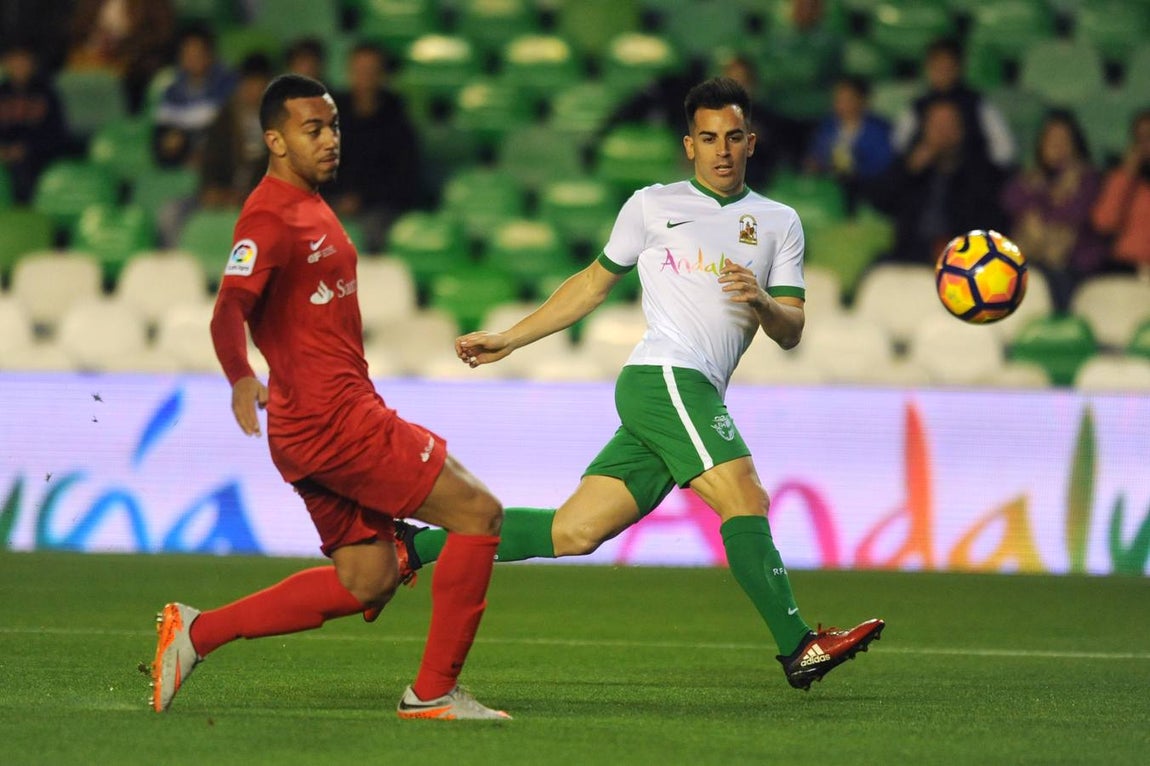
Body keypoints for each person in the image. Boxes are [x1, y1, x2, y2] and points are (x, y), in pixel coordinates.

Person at [397, 77, 885, 691]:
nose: (722, 150)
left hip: (690, 389)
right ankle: (799, 647)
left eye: (733, 137)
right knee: (746, 496)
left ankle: (413, 549)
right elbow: (590, 285)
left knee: (573, 531)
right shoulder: (652, 205)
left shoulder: (779, 222)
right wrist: (510, 337)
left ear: (752, 142)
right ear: (690, 145)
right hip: (665, 377)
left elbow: (790, 330)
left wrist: (761, 299)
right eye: (708, 138)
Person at [150, 74, 510, 721]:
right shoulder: (269, 215)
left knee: (367, 579)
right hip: (335, 420)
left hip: (311, 428)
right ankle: (432, 695)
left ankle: (196, 634)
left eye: (334, 125)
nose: (329, 139)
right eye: (312, 129)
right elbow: (228, 310)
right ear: (274, 140)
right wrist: (238, 375)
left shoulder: (311, 204)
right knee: (479, 513)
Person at [874, 97, 1006, 264]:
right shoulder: (911, 167)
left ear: (961, 130)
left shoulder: (980, 171)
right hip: (911, 254)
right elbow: (881, 200)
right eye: (936, 125)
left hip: (964, 257)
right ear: (924, 130)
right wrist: (909, 170)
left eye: (949, 124)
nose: (942, 132)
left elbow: (987, 221)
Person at [1001, 110, 1106, 311]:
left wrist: (1040, 206)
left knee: (1053, 280)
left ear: (1075, 145)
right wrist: (1047, 201)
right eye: (1051, 139)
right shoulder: (1028, 178)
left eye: (1063, 140)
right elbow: (1011, 202)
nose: (1057, 146)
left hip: (1074, 266)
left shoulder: (1087, 179)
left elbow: (1074, 213)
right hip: (1031, 260)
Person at [324, 42, 421, 251]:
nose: (365, 77)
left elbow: (403, 176)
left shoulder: (397, 120)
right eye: (359, 70)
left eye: (371, 71)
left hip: (379, 207)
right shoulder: (331, 115)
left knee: (371, 231)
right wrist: (338, 198)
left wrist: (362, 199)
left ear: (382, 75)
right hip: (333, 199)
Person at [893, 38, 1015, 174]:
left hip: (969, 180)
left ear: (959, 68)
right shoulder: (918, 105)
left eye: (948, 67)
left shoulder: (977, 103)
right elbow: (899, 148)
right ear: (928, 67)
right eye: (937, 66)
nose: (942, 72)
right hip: (925, 179)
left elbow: (1004, 151)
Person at [805, 75, 894, 213]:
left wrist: (855, 167)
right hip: (831, 185)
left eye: (848, 99)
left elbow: (883, 163)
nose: (842, 104)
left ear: (862, 100)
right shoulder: (828, 127)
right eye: (839, 99)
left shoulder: (879, 129)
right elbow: (817, 155)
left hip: (867, 188)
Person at [151, 25, 237, 168]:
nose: (193, 59)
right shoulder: (172, 92)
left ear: (210, 54)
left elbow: (228, 132)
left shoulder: (228, 85)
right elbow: (163, 136)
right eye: (188, 54)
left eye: (198, 53)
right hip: (182, 160)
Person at [0, 42, 68, 203]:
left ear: (32, 64)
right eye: (14, 61)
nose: (19, 66)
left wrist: (26, 149)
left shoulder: (47, 93)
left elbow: (56, 134)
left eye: (24, 61)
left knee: (24, 171)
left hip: (36, 157)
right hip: (5, 152)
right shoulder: (2, 92)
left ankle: (26, 215)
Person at [1092, 109, 1150, 280]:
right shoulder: (1124, 179)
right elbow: (1103, 222)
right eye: (1141, 139)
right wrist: (1126, 174)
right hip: (1125, 267)